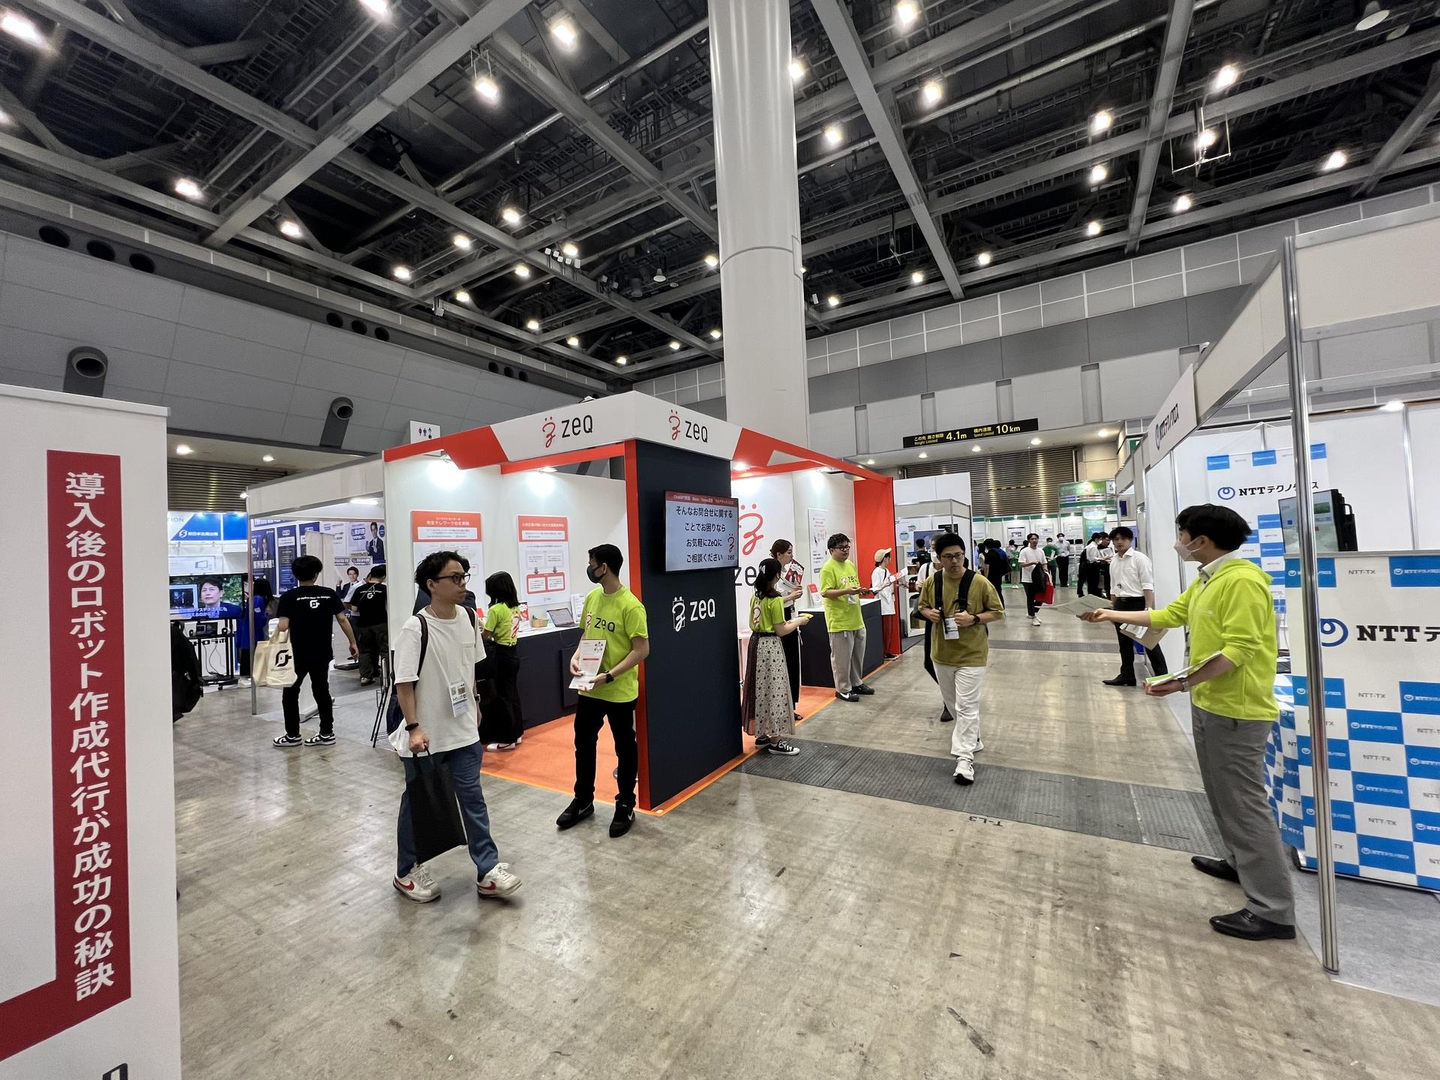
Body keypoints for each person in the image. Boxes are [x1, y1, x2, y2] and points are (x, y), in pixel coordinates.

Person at [1082, 505, 1293, 941]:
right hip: (1211, 703)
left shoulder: (1242, 582)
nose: (1178, 542)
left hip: (1238, 709)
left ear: (1201, 540)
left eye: (1181, 535)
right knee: (1221, 794)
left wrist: (1180, 683)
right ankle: (1239, 862)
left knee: (1244, 803)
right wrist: (1111, 615)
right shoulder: (1208, 578)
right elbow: (1168, 616)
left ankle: (1273, 910)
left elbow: (1239, 650)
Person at [391, 551, 520, 904]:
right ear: (432, 585)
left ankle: (487, 870)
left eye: (464, 576)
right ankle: (406, 870)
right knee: (419, 804)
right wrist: (414, 727)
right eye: (455, 578)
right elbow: (404, 684)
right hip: (426, 737)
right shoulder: (415, 628)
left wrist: (475, 703)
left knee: (473, 800)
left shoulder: (468, 617)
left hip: (464, 732)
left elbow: (469, 668)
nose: (463, 584)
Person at [557, 544, 650, 838]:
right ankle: (583, 799)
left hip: (619, 691)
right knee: (584, 745)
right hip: (589, 690)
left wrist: (609, 675)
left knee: (625, 748)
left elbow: (642, 650)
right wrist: (575, 657)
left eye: (592, 563)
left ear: (604, 567)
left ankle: (625, 804)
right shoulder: (593, 597)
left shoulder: (631, 605)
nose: (589, 568)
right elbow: (588, 634)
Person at [918, 533, 1004, 784]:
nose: (954, 561)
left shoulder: (980, 582)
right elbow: (922, 606)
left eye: (958, 555)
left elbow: (998, 612)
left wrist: (974, 619)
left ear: (965, 555)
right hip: (941, 654)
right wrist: (929, 613)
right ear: (939, 558)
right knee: (954, 704)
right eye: (948, 557)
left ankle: (964, 759)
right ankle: (973, 739)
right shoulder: (933, 581)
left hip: (972, 654)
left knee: (967, 706)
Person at [272, 555, 357, 749]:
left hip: (298, 653)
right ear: (316, 574)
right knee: (321, 691)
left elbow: (283, 626)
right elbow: (343, 619)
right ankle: (327, 733)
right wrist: (353, 642)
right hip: (322, 651)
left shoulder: (289, 597)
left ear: (295, 574)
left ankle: (293, 735)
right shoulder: (328, 594)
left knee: (290, 693)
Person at [742, 558, 812, 755]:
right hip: (771, 647)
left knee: (760, 690)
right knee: (776, 690)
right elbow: (781, 630)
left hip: (756, 645)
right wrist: (799, 621)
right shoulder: (774, 600)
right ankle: (776, 741)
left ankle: (762, 734)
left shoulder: (756, 597)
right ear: (777, 576)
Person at [1102, 527, 1169, 687]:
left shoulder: (1140, 559)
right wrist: (1112, 609)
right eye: (1116, 539)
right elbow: (1113, 587)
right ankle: (1127, 676)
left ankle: (1162, 678)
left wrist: (1148, 608)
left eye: (1123, 539)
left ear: (1130, 540)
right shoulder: (1114, 561)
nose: (1119, 542)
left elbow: (1147, 585)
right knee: (1124, 644)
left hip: (1138, 604)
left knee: (1149, 642)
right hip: (1120, 604)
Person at [819, 533, 871, 702]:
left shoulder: (849, 564)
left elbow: (852, 586)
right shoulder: (828, 568)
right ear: (831, 550)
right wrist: (846, 591)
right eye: (841, 547)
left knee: (857, 656)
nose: (845, 550)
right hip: (840, 621)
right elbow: (825, 592)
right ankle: (842, 689)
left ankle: (856, 683)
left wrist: (860, 591)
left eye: (847, 546)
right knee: (841, 660)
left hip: (856, 617)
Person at [478, 571, 524, 751]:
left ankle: (507, 739)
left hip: (501, 655)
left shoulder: (495, 610)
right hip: (513, 653)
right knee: (513, 694)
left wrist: (480, 628)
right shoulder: (515, 608)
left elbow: (486, 635)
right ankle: (517, 733)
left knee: (502, 697)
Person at [770, 538, 806, 720]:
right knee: (782, 667)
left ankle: (790, 707)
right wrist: (790, 596)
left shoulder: (787, 574)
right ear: (779, 554)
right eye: (789, 552)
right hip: (779, 622)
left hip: (789, 618)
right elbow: (769, 601)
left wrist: (794, 594)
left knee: (792, 664)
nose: (792, 556)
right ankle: (781, 709)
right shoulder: (772, 575)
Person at [350, 566, 388, 686]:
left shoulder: (359, 589)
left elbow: (354, 608)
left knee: (365, 651)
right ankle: (387, 675)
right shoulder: (384, 589)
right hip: (381, 623)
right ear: (383, 577)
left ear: (371, 575)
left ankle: (366, 676)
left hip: (364, 624)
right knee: (384, 650)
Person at [872, 547, 901, 660]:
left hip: (889, 602)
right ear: (884, 558)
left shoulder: (887, 571)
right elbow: (875, 589)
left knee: (889, 630)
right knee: (885, 630)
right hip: (883, 604)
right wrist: (885, 585)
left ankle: (887, 651)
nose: (890, 559)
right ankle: (885, 652)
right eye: (888, 557)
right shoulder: (877, 572)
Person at [1017, 533, 1048, 626]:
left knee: (1041, 597)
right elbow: (1021, 564)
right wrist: (1032, 563)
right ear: (1029, 541)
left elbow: (1044, 562)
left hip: (1039, 578)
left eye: (1035, 539)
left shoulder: (1041, 551)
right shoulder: (1024, 551)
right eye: (1032, 539)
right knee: (1030, 598)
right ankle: (1033, 617)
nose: (1034, 540)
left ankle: (1033, 612)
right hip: (1027, 579)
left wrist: (1045, 570)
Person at [982, 539, 1009, 608]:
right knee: (998, 591)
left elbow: (986, 567)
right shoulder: (999, 552)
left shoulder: (989, 554)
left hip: (991, 576)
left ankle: (994, 606)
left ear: (986, 546)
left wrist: (985, 577)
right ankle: (1001, 605)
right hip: (999, 575)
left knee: (991, 591)